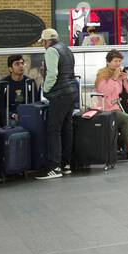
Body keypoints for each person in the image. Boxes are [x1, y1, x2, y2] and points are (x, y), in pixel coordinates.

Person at [38, 27, 78, 181]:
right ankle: (66, 164)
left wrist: (45, 90)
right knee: (67, 128)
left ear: (47, 41)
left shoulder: (51, 51)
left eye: (43, 41)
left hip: (60, 94)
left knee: (54, 129)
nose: (43, 44)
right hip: (71, 92)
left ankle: (54, 166)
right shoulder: (66, 49)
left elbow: (53, 74)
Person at [94, 50, 128, 161]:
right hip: (106, 109)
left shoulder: (119, 75)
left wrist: (125, 79)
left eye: (119, 61)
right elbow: (104, 92)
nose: (118, 64)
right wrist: (113, 78)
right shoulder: (102, 75)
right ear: (108, 62)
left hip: (118, 108)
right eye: (115, 61)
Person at [0, 54, 40, 124]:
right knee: (13, 123)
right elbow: (0, 108)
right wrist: (13, 115)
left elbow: (35, 103)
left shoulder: (30, 82)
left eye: (22, 63)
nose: (21, 66)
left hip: (27, 115)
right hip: (9, 117)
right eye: (17, 64)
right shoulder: (2, 84)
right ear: (10, 69)